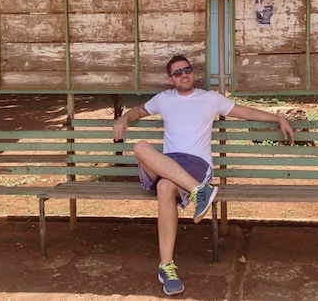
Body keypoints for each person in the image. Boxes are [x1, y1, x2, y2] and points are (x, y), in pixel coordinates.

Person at [113, 54, 294, 296]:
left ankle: (166, 267)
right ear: (170, 79)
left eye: (186, 70)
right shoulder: (163, 99)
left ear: (192, 73)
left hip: (196, 165)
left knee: (165, 188)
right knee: (140, 147)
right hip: (167, 163)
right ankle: (200, 191)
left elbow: (245, 112)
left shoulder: (210, 99)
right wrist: (124, 118)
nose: (183, 75)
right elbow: (138, 111)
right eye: (177, 72)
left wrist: (278, 117)